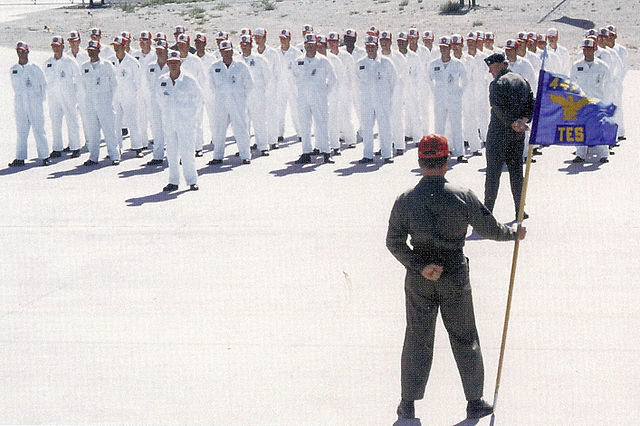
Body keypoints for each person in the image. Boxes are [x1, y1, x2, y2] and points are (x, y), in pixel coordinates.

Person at [387, 134, 527, 422]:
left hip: (420, 278)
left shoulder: (406, 200)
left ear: (419, 162)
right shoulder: (462, 195)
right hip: (454, 276)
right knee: (465, 338)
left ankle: (408, 404)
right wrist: (514, 234)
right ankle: (475, 401)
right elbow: (491, 229)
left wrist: (419, 266)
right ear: (447, 161)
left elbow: (394, 241)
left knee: (417, 339)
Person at [483, 52, 534, 219]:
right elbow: (531, 102)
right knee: (517, 173)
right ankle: (520, 210)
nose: (490, 71)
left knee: (493, 174)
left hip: (499, 135)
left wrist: (513, 122)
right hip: (517, 135)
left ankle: (488, 211)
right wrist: (523, 120)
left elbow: (497, 109)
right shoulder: (522, 80)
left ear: (500, 65)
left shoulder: (496, 84)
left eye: (491, 67)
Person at [155, 50, 202, 191]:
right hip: (169, 123)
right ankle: (173, 181)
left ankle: (192, 180)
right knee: (171, 152)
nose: (173, 65)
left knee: (187, 153)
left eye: (176, 62)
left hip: (186, 123)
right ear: (167, 64)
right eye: (170, 63)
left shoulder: (189, 80)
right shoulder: (162, 80)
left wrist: (192, 118)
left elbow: (199, 100)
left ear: (181, 63)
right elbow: (159, 99)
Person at [291, 33, 336, 164]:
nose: (310, 48)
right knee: (305, 125)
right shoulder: (298, 61)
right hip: (303, 98)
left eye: (312, 45)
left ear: (317, 45)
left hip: (319, 98)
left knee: (322, 124)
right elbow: (294, 77)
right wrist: (301, 89)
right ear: (304, 45)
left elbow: (333, 79)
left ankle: (327, 152)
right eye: (308, 45)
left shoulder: (323, 61)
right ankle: (306, 152)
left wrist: (324, 92)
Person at [207, 40, 254, 165]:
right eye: (223, 52)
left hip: (237, 102)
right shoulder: (214, 67)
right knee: (219, 129)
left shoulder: (241, 66)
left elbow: (249, 84)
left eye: (228, 51)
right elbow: (211, 85)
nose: (226, 54)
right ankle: (217, 156)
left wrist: (241, 97)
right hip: (221, 103)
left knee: (241, 128)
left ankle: (245, 155)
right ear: (220, 52)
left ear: (232, 51)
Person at [354, 35, 396, 164]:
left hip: (382, 100)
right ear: (365, 48)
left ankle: (387, 154)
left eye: (373, 47)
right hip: (367, 100)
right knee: (367, 127)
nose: (370, 49)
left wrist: (387, 96)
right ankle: (368, 155)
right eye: (368, 47)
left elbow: (393, 81)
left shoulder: (386, 62)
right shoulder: (360, 63)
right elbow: (356, 82)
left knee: (385, 126)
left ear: (377, 47)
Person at [8, 41, 50, 167]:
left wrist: (39, 101)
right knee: (21, 131)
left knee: (39, 129)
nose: (20, 53)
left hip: (34, 102)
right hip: (20, 104)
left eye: (23, 51)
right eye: (18, 51)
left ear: (27, 52)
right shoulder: (13, 69)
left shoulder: (35, 68)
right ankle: (20, 157)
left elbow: (43, 85)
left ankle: (44, 156)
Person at [79, 40, 121, 166]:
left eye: (94, 50)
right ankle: (93, 157)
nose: (91, 53)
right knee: (92, 131)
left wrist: (111, 100)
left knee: (109, 130)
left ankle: (114, 155)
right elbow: (82, 86)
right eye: (89, 50)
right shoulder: (84, 67)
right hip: (90, 102)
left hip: (105, 101)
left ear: (98, 50)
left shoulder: (107, 65)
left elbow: (114, 84)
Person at [570, 38, 611, 163]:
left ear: (594, 49)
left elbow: (608, 85)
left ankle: (603, 154)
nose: (586, 51)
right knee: (580, 128)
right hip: (581, 103)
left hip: (597, 102)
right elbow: (572, 85)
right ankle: (580, 154)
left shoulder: (602, 66)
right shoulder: (576, 66)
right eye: (584, 49)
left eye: (589, 49)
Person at [427, 36, 468, 163]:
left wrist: (459, 93)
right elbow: (429, 79)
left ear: (450, 48)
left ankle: (460, 153)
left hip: (454, 100)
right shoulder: (434, 64)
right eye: (441, 48)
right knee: (439, 126)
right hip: (440, 100)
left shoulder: (458, 64)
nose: (444, 50)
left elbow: (465, 80)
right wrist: (435, 91)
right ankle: (439, 152)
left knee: (456, 126)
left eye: (446, 48)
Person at [43, 35, 83, 158]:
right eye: (54, 46)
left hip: (68, 95)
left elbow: (78, 78)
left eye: (58, 46)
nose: (56, 48)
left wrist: (77, 94)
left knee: (72, 120)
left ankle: (75, 146)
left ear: (62, 46)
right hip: (53, 96)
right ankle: (57, 148)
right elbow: (44, 80)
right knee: (55, 122)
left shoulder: (70, 61)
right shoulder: (48, 62)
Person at [110, 35, 144, 157]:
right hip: (115, 96)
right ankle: (117, 148)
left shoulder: (132, 62)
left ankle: (137, 147)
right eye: (114, 46)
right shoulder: (110, 61)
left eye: (118, 46)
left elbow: (138, 81)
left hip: (129, 95)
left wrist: (133, 93)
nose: (116, 49)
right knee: (115, 123)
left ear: (124, 47)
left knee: (133, 121)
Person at [239, 34, 271, 157]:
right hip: (242, 96)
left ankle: (263, 146)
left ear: (251, 46)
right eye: (242, 45)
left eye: (247, 45)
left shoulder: (260, 59)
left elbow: (268, 77)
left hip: (257, 95)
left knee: (260, 121)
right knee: (244, 123)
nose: (245, 48)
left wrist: (262, 91)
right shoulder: (237, 60)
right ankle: (245, 148)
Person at [144, 39, 170, 166]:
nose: (160, 53)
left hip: (168, 101)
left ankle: (174, 155)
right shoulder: (150, 67)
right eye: (158, 50)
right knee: (157, 128)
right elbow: (147, 84)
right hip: (155, 101)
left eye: (162, 50)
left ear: (167, 50)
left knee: (171, 128)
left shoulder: (172, 65)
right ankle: (158, 155)